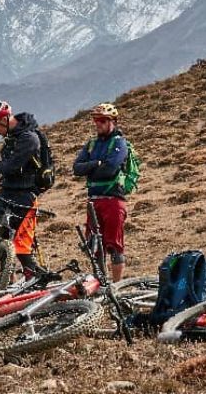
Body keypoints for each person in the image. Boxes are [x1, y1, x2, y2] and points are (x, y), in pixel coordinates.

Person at [0, 99, 43, 280]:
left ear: (4, 120)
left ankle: (35, 282)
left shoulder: (29, 139)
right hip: (7, 193)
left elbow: (13, 165)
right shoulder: (12, 138)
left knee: (21, 247)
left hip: (25, 196)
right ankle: (5, 280)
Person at [72, 103, 128, 282]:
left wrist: (92, 167)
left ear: (113, 121)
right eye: (96, 120)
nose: (98, 124)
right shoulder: (91, 144)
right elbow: (77, 168)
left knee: (115, 246)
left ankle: (116, 286)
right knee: (95, 246)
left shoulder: (120, 143)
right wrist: (96, 164)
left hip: (113, 199)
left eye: (103, 120)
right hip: (93, 201)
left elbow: (110, 170)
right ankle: (101, 282)